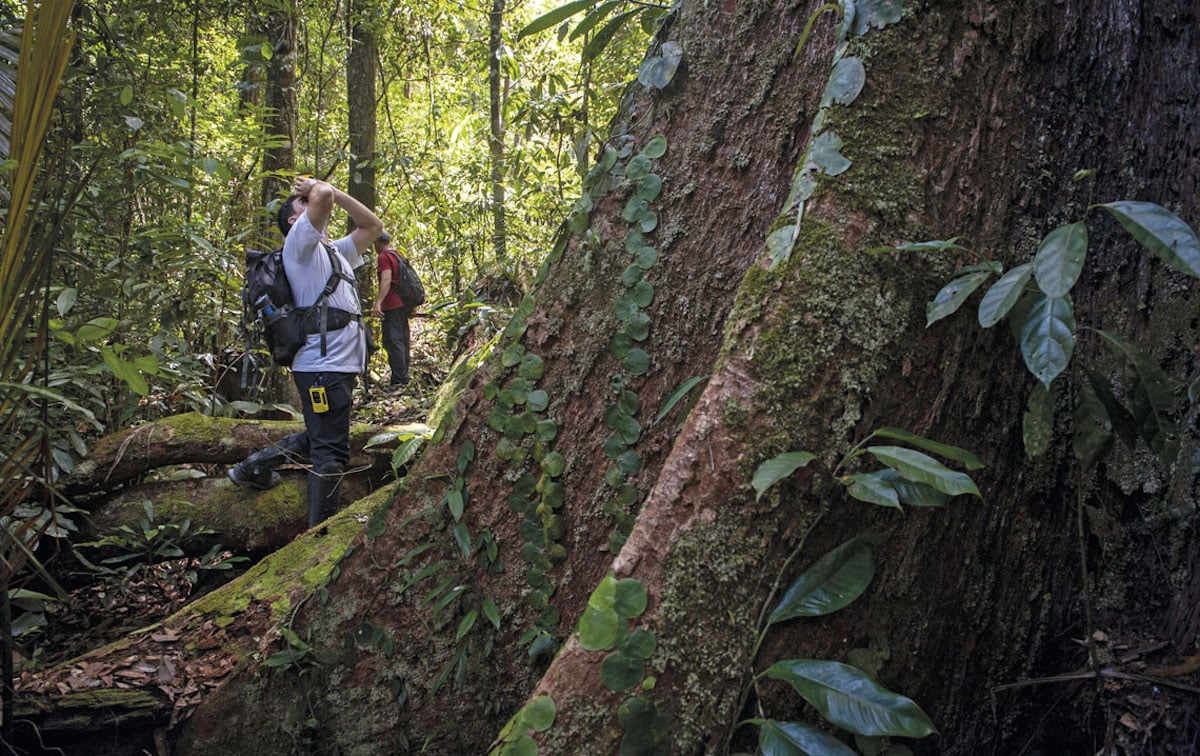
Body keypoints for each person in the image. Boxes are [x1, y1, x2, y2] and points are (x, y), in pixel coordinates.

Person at [228, 176, 383, 528]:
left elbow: (373, 226)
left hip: (337, 366)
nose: (313, 201)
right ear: (296, 223)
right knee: (330, 453)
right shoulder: (299, 246)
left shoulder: (335, 253)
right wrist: (316, 187)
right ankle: (319, 542)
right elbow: (324, 196)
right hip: (321, 366)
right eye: (304, 202)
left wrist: (330, 190)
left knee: (322, 436)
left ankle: (253, 466)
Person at [370, 231, 412, 390]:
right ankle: (403, 375)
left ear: (377, 243)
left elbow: (386, 279)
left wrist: (378, 303)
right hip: (403, 303)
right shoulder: (398, 255)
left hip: (392, 304)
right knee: (402, 338)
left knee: (393, 340)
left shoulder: (384, 257)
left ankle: (399, 380)